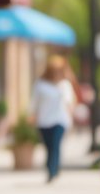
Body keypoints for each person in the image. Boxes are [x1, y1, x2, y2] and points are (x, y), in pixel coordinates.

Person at [30, 54, 78, 182]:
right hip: (44, 121)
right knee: (48, 146)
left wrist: (71, 117)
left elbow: (70, 102)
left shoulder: (64, 84)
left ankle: (53, 169)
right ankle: (50, 166)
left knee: (56, 145)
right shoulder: (40, 84)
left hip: (60, 120)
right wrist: (32, 115)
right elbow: (34, 102)